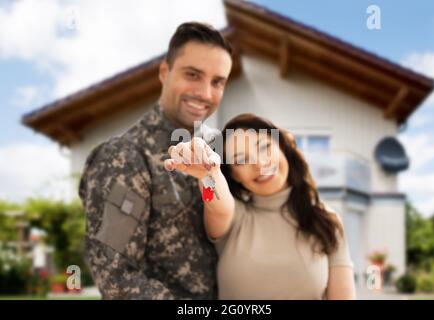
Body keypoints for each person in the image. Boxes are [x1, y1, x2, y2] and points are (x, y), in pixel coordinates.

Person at [78, 22, 233, 299]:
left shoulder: (210, 155)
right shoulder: (124, 156)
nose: (206, 94)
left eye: (217, 82)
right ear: (165, 72)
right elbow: (116, 279)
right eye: (193, 74)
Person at [164, 113, 356, 299]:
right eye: (240, 160)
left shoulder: (326, 220)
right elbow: (215, 200)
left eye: (264, 147)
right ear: (234, 175)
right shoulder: (234, 218)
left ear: (282, 147)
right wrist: (208, 175)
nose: (260, 163)